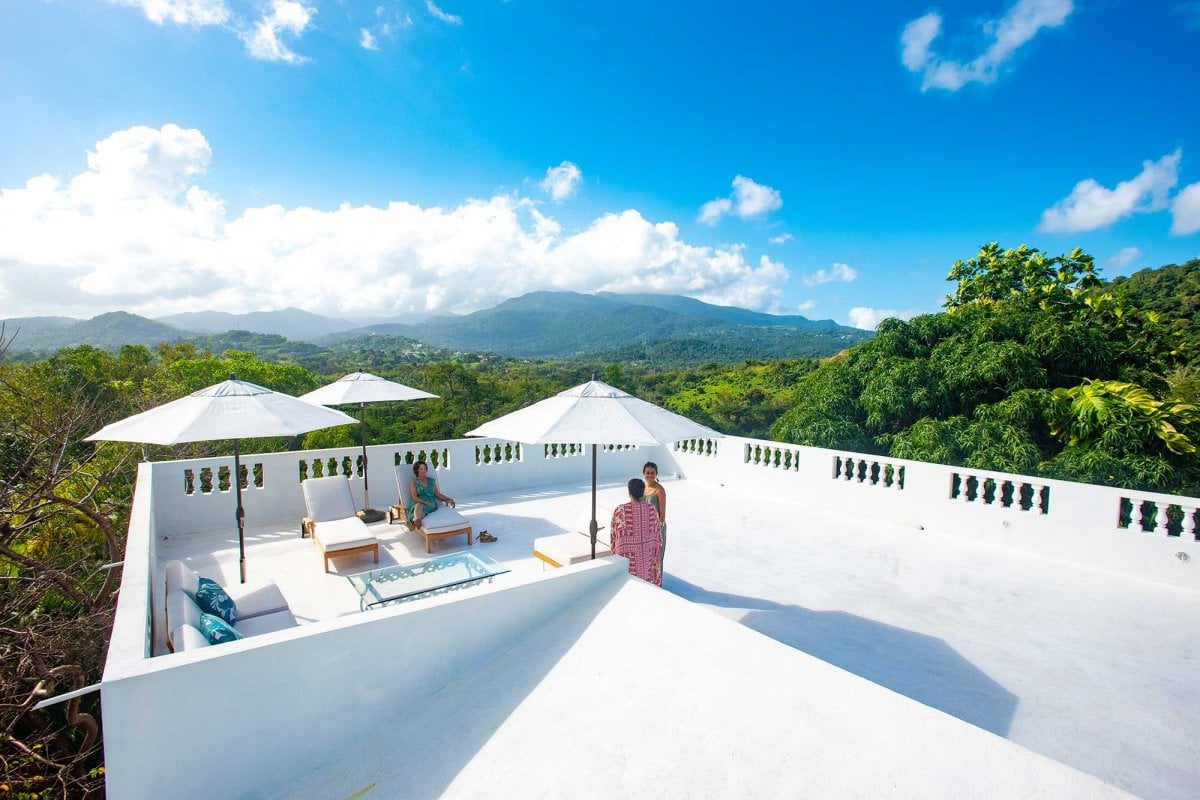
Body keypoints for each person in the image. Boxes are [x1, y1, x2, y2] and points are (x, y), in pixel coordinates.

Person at [610, 477, 662, 586]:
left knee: (629, 586)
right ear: (643, 492)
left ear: (629, 492)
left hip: (627, 559)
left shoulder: (620, 510)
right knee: (646, 586)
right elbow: (657, 535)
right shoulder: (651, 509)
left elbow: (614, 535)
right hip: (648, 556)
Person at [407, 460, 455, 527]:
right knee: (418, 506)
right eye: (421, 469)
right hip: (418, 502)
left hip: (431, 503)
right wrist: (426, 502)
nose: (423, 470)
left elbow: (438, 495)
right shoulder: (414, 482)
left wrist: (449, 499)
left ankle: (413, 522)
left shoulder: (431, 481)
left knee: (420, 508)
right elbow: (414, 497)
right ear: (417, 470)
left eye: (424, 468)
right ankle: (416, 521)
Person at [642, 461, 668, 575]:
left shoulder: (659, 490)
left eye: (653, 473)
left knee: (657, 556)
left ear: (656, 474)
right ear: (643, 473)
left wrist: (658, 531)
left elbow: (662, 514)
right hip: (645, 527)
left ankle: (658, 581)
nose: (650, 475)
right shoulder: (642, 488)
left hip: (657, 528)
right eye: (647, 472)